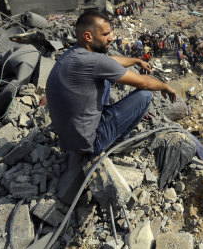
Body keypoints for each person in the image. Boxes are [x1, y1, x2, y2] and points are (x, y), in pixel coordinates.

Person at [46, 10, 177, 156]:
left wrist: (136, 61)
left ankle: (108, 123)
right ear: (88, 36)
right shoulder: (94, 61)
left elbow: (110, 62)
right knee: (145, 95)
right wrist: (166, 86)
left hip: (69, 139)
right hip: (90, 144)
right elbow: (144, 83)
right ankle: (119, 141)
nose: (111, 38)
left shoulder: (73, 53)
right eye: (105, 34)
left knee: (106, 81)